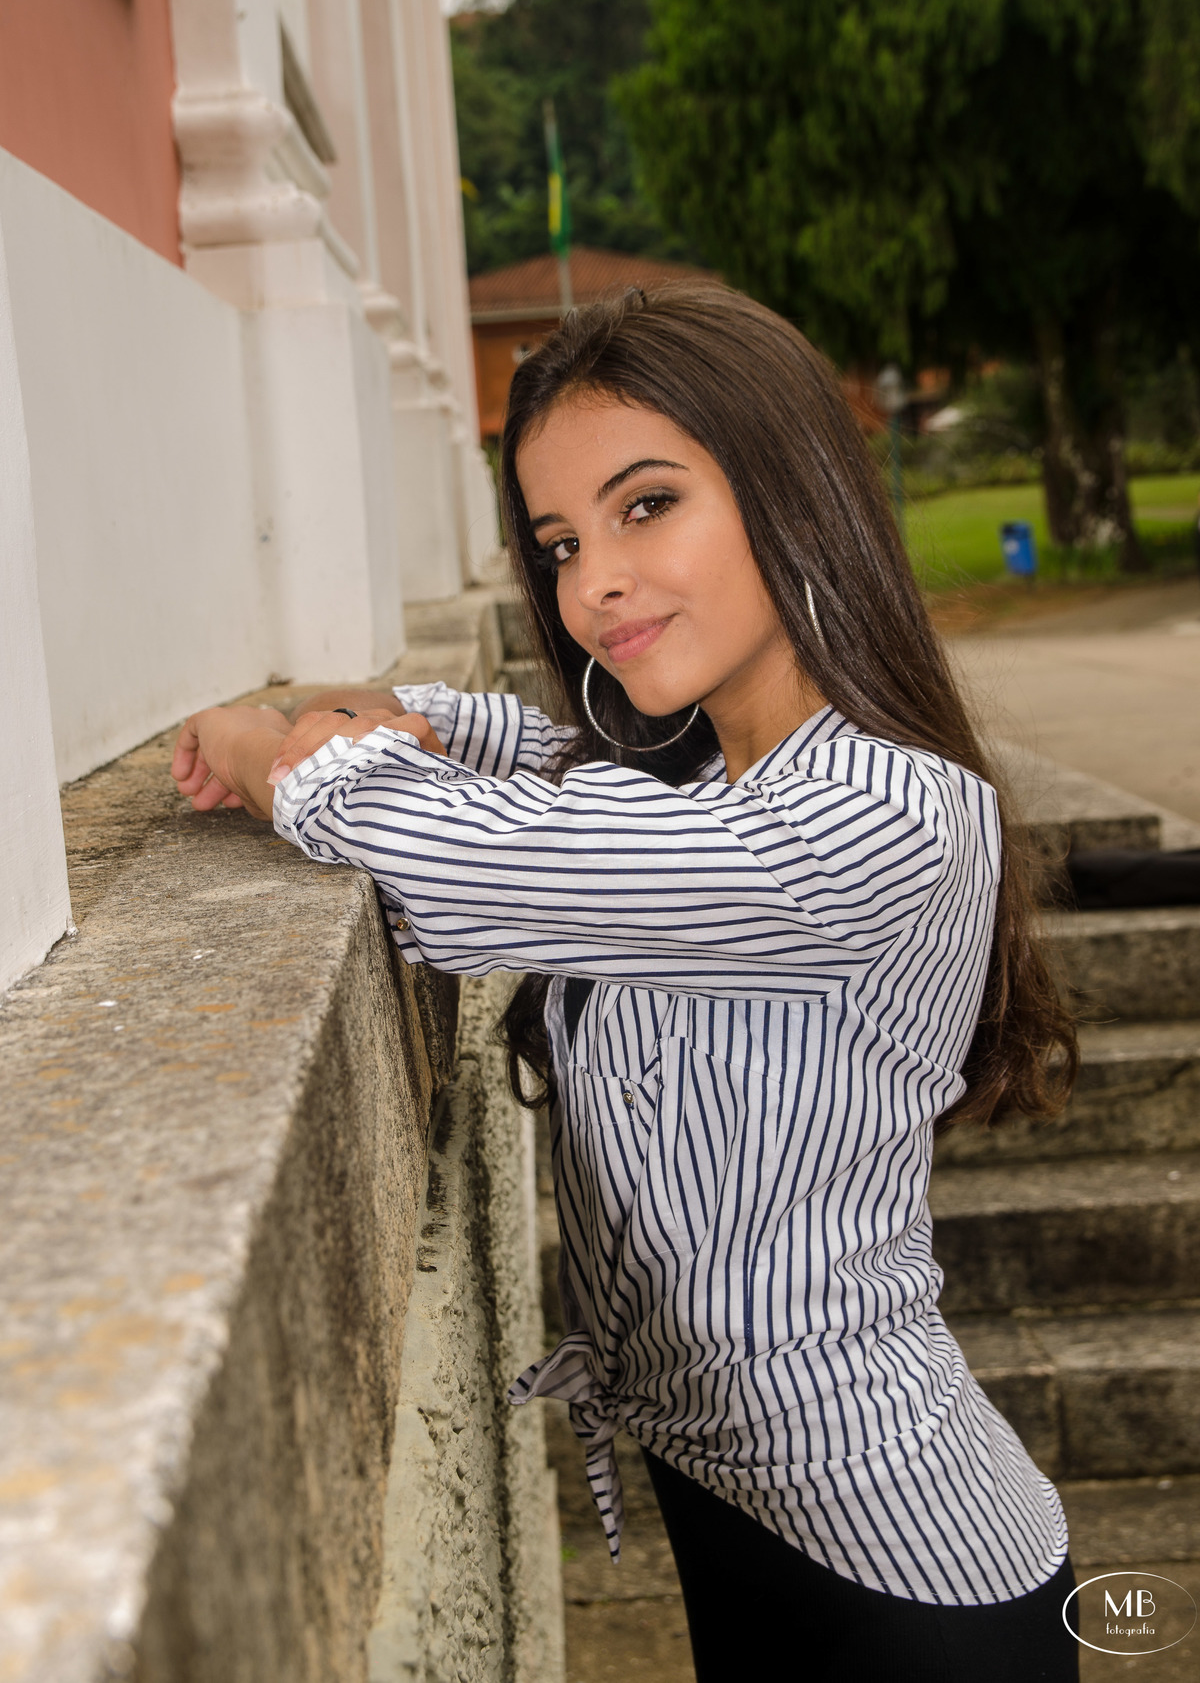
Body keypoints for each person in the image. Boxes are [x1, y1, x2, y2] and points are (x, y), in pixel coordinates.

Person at [172, 286, 1081, 1681]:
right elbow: (522, 753)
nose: (592, 581)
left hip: (910, 1574)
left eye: (646, 506)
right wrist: (372, 712)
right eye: (558, 543)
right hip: (729, 1507)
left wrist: (257, 744)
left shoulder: (887, 814)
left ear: (793, 491)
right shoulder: (705, 773)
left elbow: (452, 857)